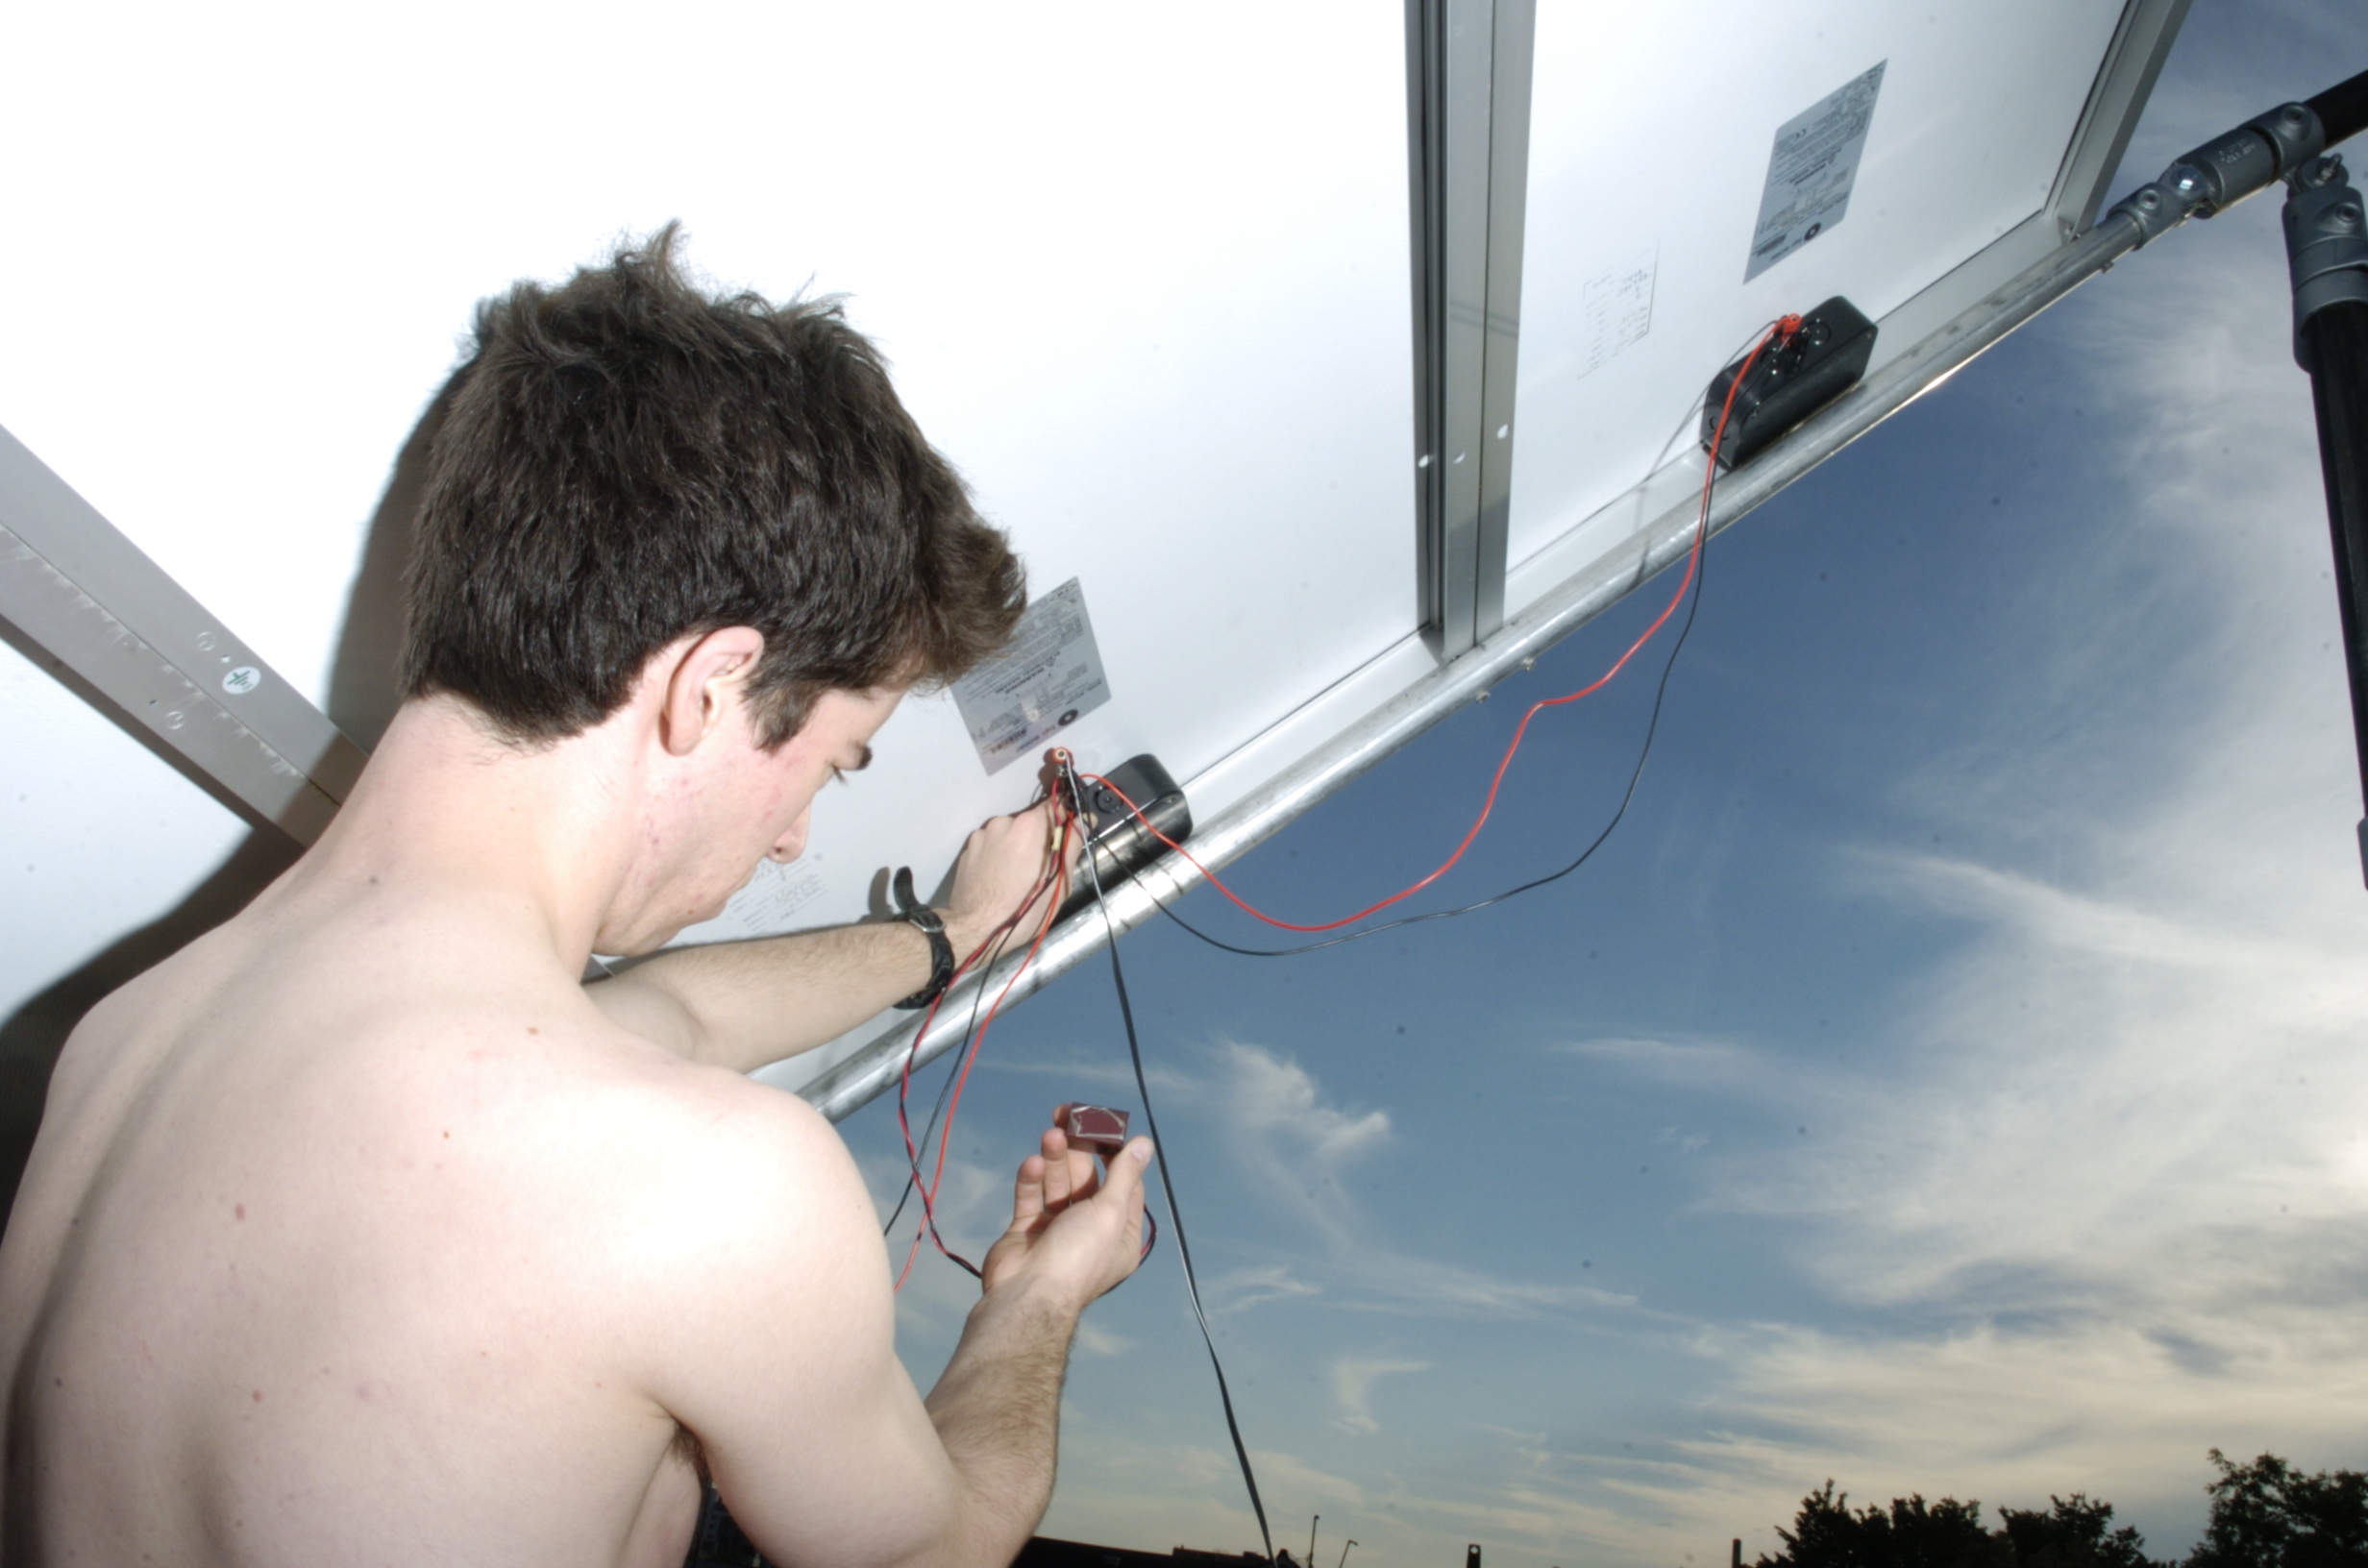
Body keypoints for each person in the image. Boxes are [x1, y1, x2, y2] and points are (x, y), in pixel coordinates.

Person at [0, 230, 1151, 1567]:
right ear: (710, 685)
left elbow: (670, 1019)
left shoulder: (123, 1044)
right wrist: (1039, 1297)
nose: (793, 839)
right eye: (835, 764)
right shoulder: (711, 1190)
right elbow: (941, 1551)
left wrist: (952, 936)